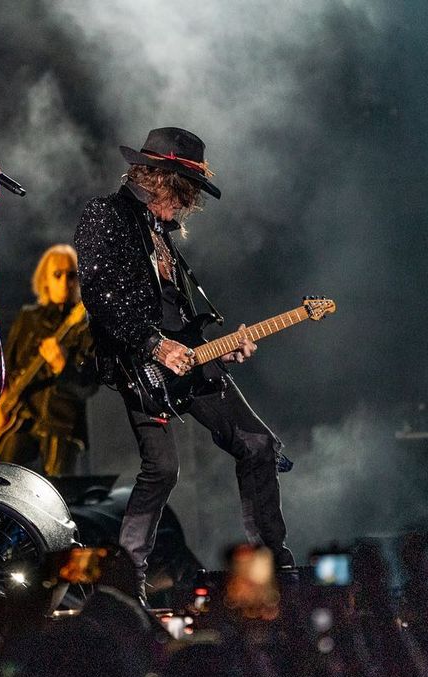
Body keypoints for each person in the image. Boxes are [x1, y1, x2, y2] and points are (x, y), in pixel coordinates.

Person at [73, 127, 294, 604]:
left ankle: (273, 567)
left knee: (256, 444)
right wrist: (155, 346)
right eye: (187, 191)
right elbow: (100, 296)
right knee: (162, 469)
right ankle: (124, 582)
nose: (190, 203)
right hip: (140, 364)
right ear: (162, 180)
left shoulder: (160, 231)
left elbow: (176, 312)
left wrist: (218, 347)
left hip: (190, 358)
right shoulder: (106, 214)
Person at [0, 245, 99, 476]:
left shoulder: (84, 327)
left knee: (57, 489)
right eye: (58, 274)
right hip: (19, 417)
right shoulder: (28, 318)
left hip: (62, 424)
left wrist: (62, 366)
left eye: (72, 275)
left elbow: (88, 386)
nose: (65, 281)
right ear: (45, 279)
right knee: (0, 478)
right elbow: (4, 368)